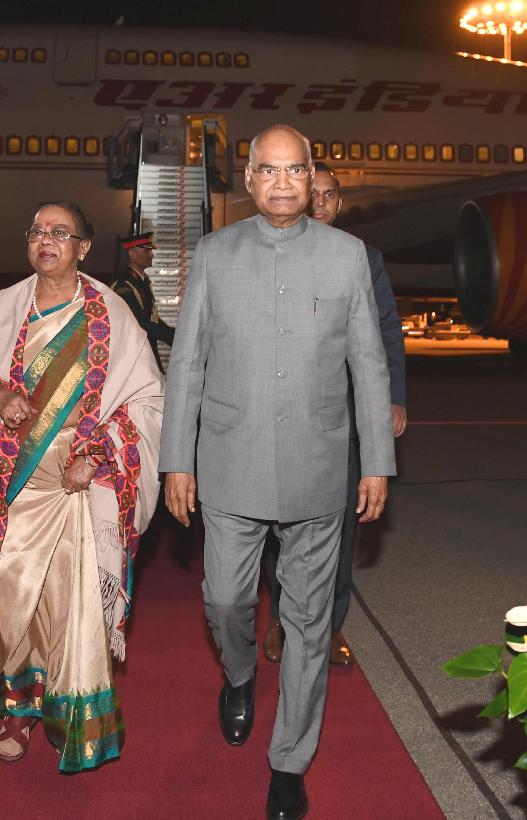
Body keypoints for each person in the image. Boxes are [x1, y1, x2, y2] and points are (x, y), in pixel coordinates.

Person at [160, 125, 396, 820]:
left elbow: (369, 363)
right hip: (229, 463)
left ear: (312, 176)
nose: (284, 183)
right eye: (269, 170)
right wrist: (177, 459)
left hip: (318, 468)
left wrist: (376, 461)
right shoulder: (215, 253)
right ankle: (237, 675)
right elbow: (188, 363)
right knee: (226, 602)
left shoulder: (347, 257)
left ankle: (289, 762)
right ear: (249, 179)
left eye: (295, 170)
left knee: (308, 623)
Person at [0, 201, 163, 769]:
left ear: (84, 247)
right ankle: (18, 702)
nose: (46, 240)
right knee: (0, 593)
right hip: (9, 483)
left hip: (77, 485)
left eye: (60, 232)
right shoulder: (2, 308)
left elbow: (147, 401)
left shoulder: (111, 314)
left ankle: (71, 717)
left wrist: (100, 455)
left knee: (71, 602)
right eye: (37, 230)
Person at [261, 161, 408, 667]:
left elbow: (387, 332)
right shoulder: (275, 253)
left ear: (340, 204)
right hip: (283, 413)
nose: (320, 202)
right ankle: (281, 618)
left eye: (330, 195)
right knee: (279, 521)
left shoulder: (363, 258)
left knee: (342, 523)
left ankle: (331, 623)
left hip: (343, 416)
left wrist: (392, 398)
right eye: (315, 193)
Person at [112, 231, 174, 371]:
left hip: (146, 354)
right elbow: (140, 323)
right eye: (146, 251)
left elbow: (152, 318)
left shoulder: (142, 281)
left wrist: (174, 334)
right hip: (134, 359)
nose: (152, 254)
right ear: (132, 253)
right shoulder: (124, 285)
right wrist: (171, 337)